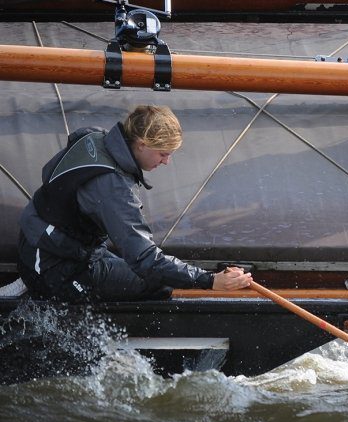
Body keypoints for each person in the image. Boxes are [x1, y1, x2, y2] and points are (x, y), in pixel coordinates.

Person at [17, 105, 252, 302]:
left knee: (136, 269)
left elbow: (48, 172)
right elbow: (145, 258)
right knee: (157, 284)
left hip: (47, 241)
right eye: (163, 153)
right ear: (141, 144)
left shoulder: (94, 137)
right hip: (53, 266)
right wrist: (209, 280)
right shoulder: (114, 188)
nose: (167, 162)